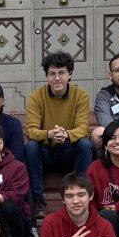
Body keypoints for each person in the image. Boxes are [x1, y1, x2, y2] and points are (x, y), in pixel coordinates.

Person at [25, 51, 93, 218]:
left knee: (85, 144)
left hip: (68, 152)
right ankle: (38, 200)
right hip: (45, 154)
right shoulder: (36, 96)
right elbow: (31, 130)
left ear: (69, 75)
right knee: (31, 146)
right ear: (47, 76)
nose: (57, 78)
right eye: (52, 74)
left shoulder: (80, 95)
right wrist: (49, 134)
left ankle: (81, 194)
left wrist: (65, 134)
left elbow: (83, 128)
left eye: (61, 73)